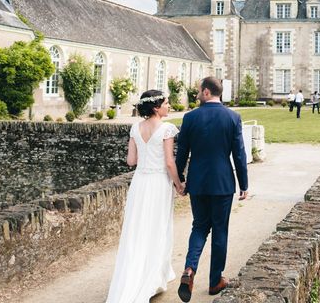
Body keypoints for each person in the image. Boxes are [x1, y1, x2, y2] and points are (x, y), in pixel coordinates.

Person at [106, 90, 184, 303]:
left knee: (136, 228)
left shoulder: (135, 127)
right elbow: (169, 163)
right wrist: (179, 184)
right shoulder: (167, 129)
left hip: (140, 182)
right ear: (156, 107)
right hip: (158, 183)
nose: (169, 106)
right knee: (157, 227)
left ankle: (133, 276)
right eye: (167, 103)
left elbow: (131, 160)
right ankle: (152, 278)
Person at [176, 77, 249, 300]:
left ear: (206, 92)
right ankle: (215, 280)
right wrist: (244, 184)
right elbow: (239, 154)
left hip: (197, 182)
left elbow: (182, 153)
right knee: (220, 231)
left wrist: (179, 178)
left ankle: (190, 269)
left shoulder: (190, 118)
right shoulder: (233, 117)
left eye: (199, 90)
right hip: (222, 183)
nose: (197, 93)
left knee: (199, 227)